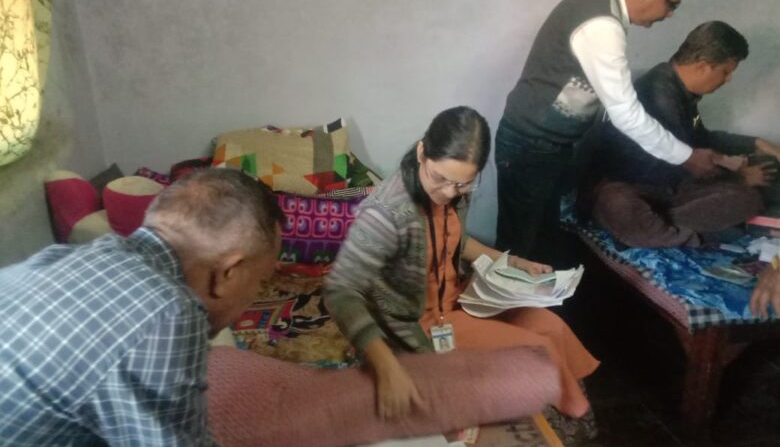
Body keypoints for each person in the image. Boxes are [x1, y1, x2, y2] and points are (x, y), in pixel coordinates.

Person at [324, 106, 599, 422]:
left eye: (462, 184)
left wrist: (511, 261)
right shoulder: (385, 214)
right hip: (416, 322)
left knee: (550, 326)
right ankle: (570, 416)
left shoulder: (457, 192)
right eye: (440, 179)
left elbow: (454, 239)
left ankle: (563, 407)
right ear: (422, 152)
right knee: (537, 351)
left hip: (457, 300)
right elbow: (339, 292)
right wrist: (386, 366)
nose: (448, 193)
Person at [0, 169, 283, 445]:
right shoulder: (170, 311)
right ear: (228, 273)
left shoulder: (59, 256)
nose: (254, 296)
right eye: (260, 283)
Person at [495, 0, 719, 265]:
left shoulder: (601, 3)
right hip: (531, 144)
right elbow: (625, 113)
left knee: (539, 239)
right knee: (519, 247)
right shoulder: (601, 24)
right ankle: (505, 293)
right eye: (672, 4)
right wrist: (686, 157)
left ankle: (531, 289)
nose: (670, 14)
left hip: (546, 144)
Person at [588, 21, 780, 248]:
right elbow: (678, 164)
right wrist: (739, 178)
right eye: (726, 71)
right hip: (631, 186)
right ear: (703, 66)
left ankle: (662, 225)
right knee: (619, 206)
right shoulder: (658, 93)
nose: (728, 79)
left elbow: (701, 137)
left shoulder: (682, 93)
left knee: (750, 191)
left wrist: (755, 143)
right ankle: (682, 233)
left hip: (669, 188)